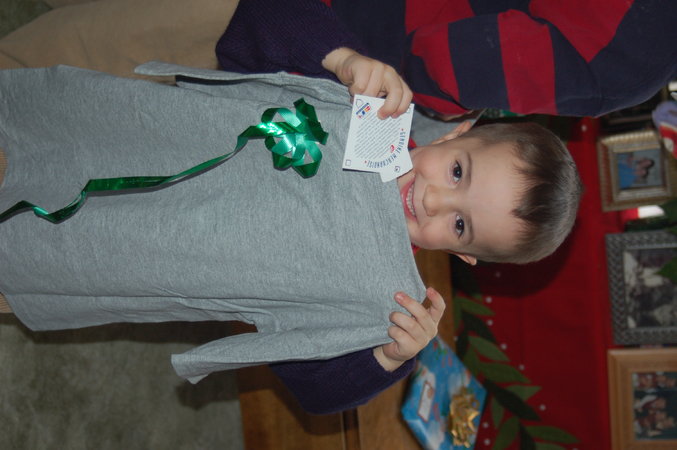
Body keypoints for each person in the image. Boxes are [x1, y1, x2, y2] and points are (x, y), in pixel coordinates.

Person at [0, 64, 581, 414]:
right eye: (456, 172)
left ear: (462, 254)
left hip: (116, 259)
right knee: (37, 134)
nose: (433, 201)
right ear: (456, 134)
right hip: (126, 136)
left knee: (29, 260)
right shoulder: (370, 111)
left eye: (459, 224)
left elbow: (313, 390)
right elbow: (251, 36)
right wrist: (342, 58)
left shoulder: (385, 302)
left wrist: (387, 357)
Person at [216, 0, 677, 119]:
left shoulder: (636, 49)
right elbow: (442, 66)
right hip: (346, 35)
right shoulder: (635, 58)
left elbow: (448, 63)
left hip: (343, 35)